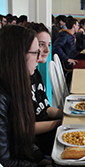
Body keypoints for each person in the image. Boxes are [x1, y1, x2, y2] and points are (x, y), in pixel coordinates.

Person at [0, 25, 52, 166]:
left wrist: (41, 160)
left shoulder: (18, 84)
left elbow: (23, 135)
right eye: (35, 52)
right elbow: (5, 160)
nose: (39, 57)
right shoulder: (3, 96)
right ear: (18, 55)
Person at [25, 22, 63, 155]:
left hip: (47, 128)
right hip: (37, 140)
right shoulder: (20, 81)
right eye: (41, 45)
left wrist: (66, 115)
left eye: (49, 44)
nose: (47, 50)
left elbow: (45, 108)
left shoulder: (35, 73)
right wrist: (60, 123)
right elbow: (26, 129)